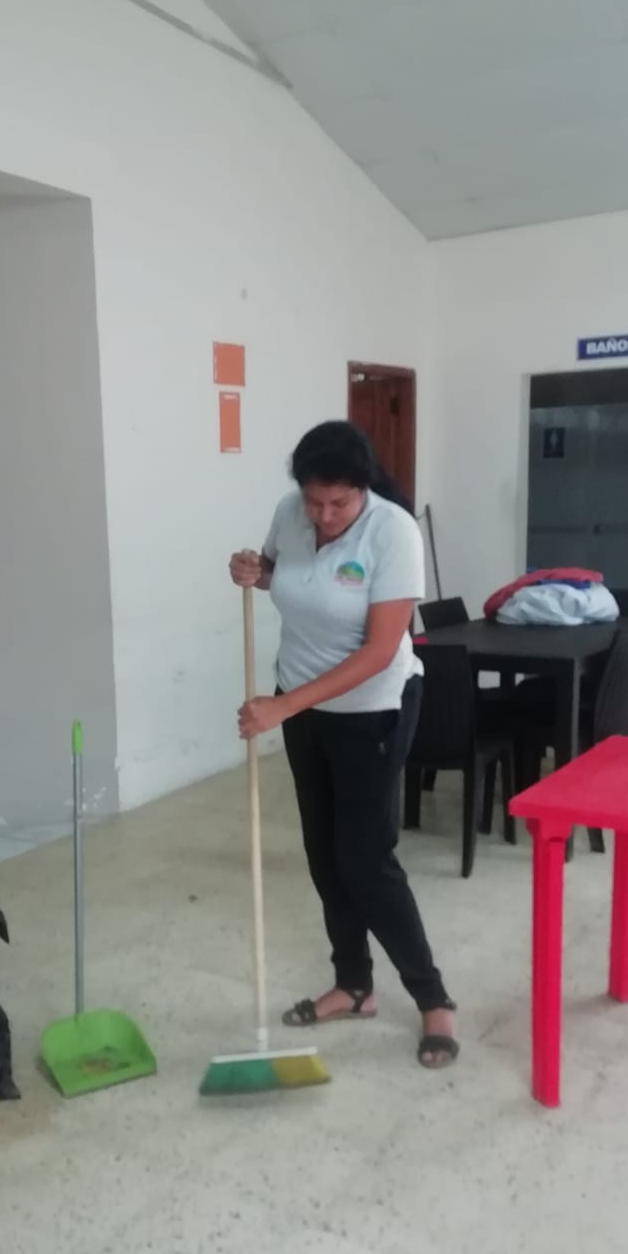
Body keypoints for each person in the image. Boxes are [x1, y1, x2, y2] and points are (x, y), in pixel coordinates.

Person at [228, 420, 457, 1069]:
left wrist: (283, 705)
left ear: (364, 488)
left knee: (367, 861)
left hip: (372, 709)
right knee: (324, 856)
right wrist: (255, 571)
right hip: (305, 711)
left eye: (339, 503)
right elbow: (289, 578)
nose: (324, 516)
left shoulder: (393, 532)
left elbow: (380, 651)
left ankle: (432, 997)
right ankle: (354, 984)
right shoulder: (290, 514)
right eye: (314, 501)